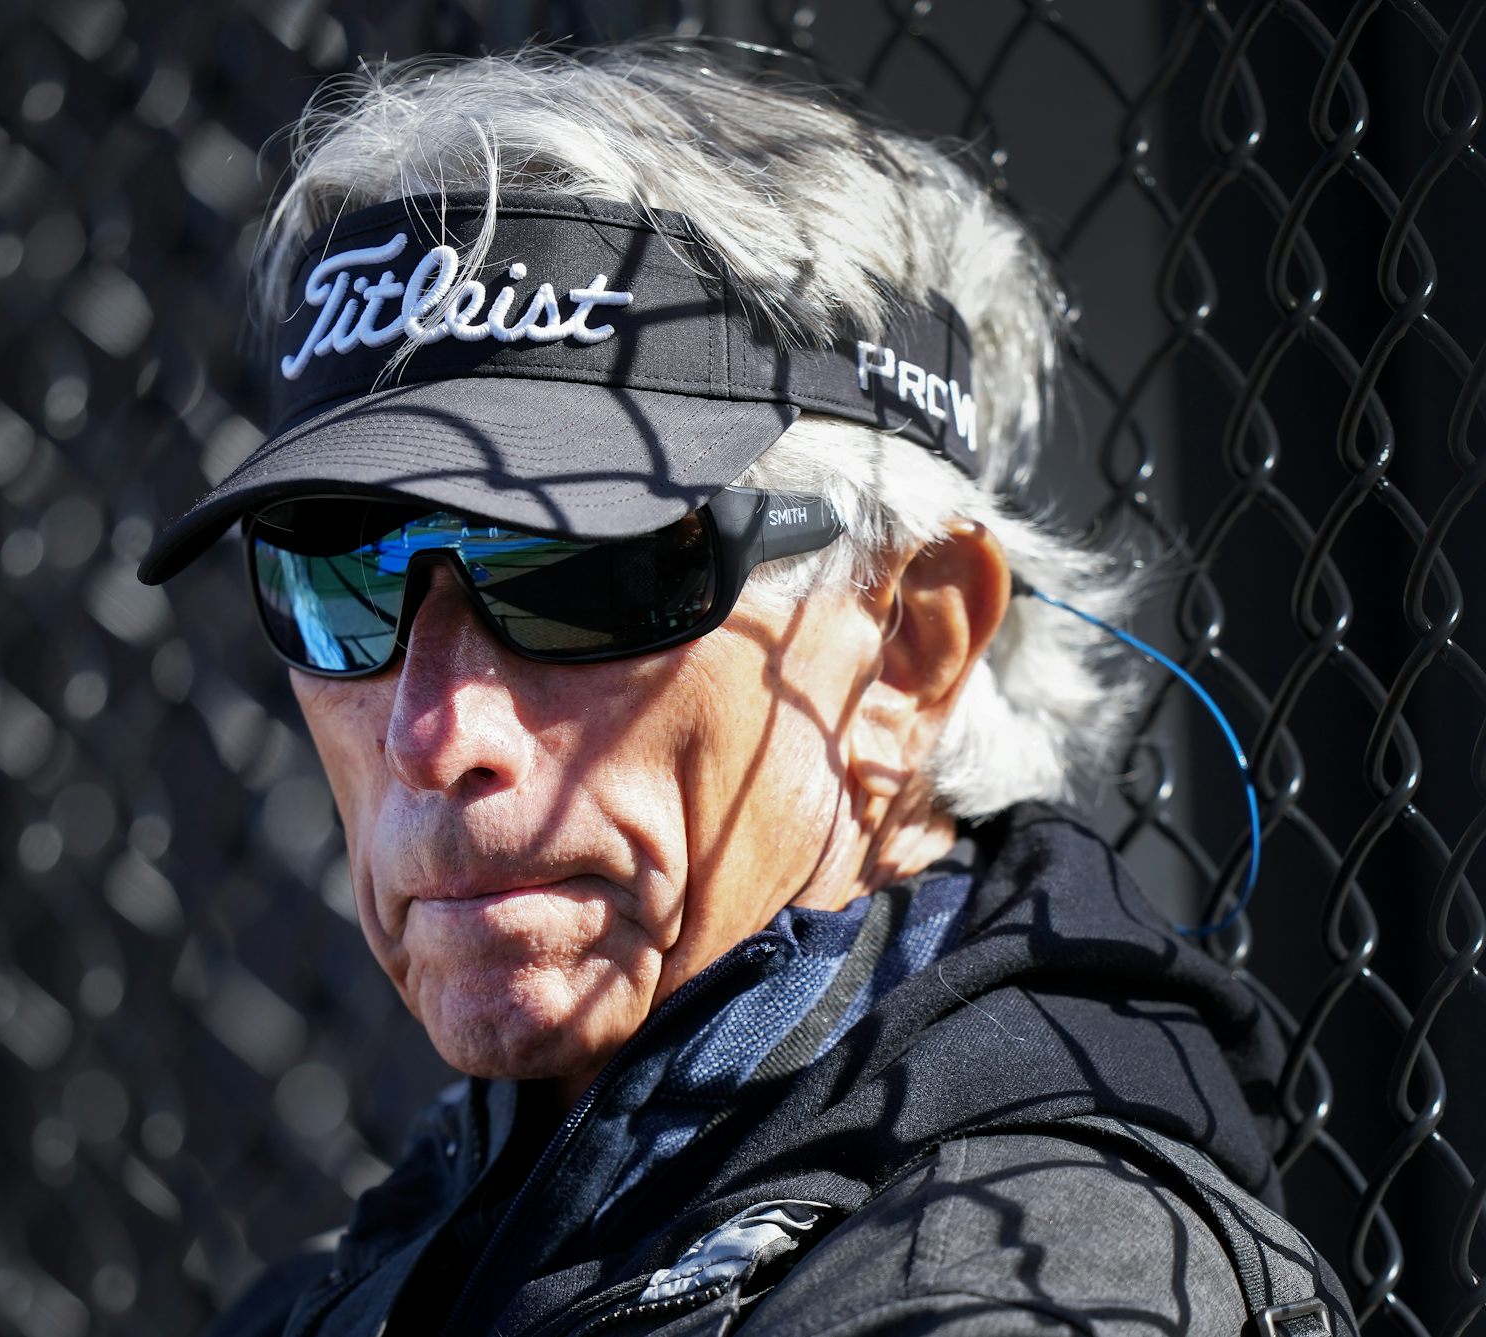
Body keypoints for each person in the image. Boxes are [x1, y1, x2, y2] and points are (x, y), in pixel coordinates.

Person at [139, 43, 1354, 1337]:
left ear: (910, 645)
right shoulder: (376, 1272)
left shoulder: (1037, 1284)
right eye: (335, 572)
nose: (435, 732)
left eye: (579, 573)